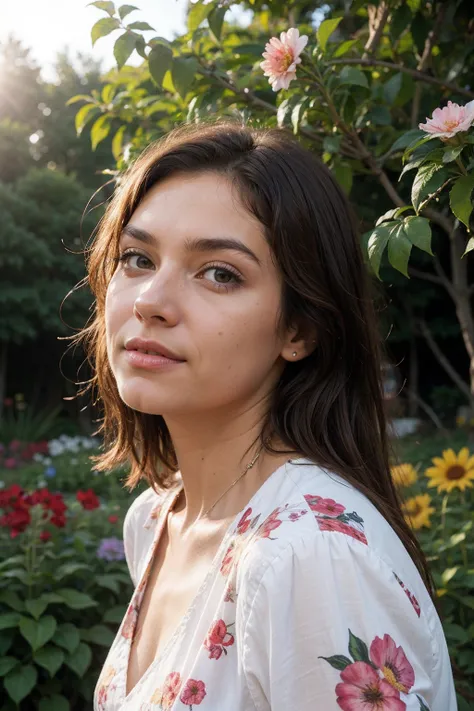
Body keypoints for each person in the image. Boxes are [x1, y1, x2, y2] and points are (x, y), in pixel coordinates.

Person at [77, 119, 457, 710]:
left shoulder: (314, 560)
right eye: (136, 258)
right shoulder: (155, 520)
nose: (150, 300)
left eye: (220, 274)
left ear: (299, 328)